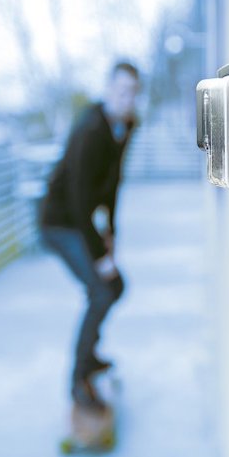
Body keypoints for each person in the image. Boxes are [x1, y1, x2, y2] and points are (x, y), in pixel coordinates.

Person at [39, 61, 140, 410]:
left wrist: (111, 232)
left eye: (133, 92)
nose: (127, 99)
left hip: (80, 220)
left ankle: (90, 355)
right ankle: (78, 380)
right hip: (58, 223)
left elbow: (113, 186)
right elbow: (80, 202)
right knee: (101, 290)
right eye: (121, 90)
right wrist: (100, 255)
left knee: (113, 287)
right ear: (108, 89)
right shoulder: (90, 130)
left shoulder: (125, 127)